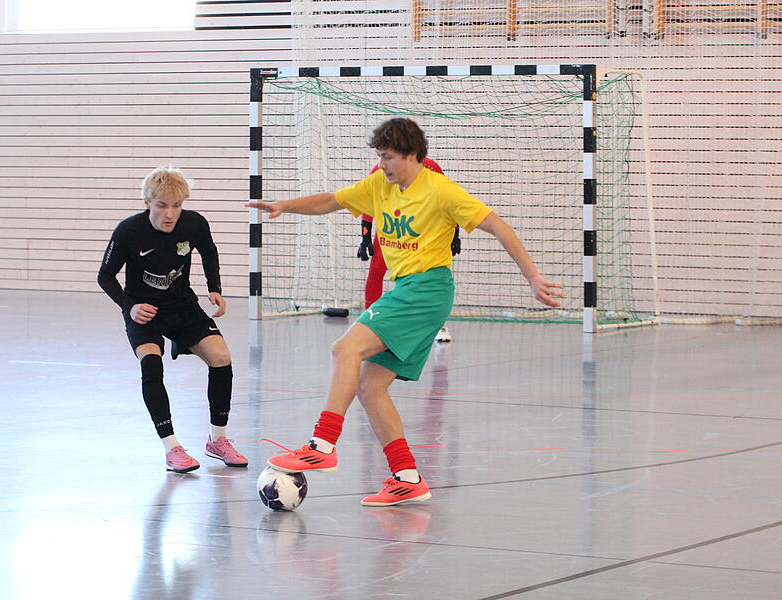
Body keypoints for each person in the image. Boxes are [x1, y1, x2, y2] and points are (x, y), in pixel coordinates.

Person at [250, 118, 563, 506]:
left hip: (427, 289)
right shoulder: (380, 186)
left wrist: (532, 278)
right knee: (370, 386)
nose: (382, 165)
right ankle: (406, 477)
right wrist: (284, 206)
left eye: (389, 157)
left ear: (413, 155)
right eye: (380, 156)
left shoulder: (441, 192)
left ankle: (323, 443)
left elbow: (499, 226)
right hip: (409, 290)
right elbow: (332, 200)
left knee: (345, 349)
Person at [97, 166, 248, 473]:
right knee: (152, 364)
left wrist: (214, 288)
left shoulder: (194, 224)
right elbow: (105, 276)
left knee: (221, 358)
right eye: (162, 205)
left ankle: (217, 440)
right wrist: (130, 306)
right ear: (147, 203)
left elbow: (209, 251)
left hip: (183, 306)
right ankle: (172, 448)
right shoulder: (129, 231)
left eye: (177, 206)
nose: (170, 214)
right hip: (145, 312)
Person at [357, 158, 459, 343]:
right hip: (392, 228)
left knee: (432, 273)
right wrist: (365, 236)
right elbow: (368, 200)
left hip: (424, 231)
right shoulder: (379, 170)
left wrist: (455, 232)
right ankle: (368, 321)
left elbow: (450, 199)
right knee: (377, 269)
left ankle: (438, 324)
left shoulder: (430, 167)